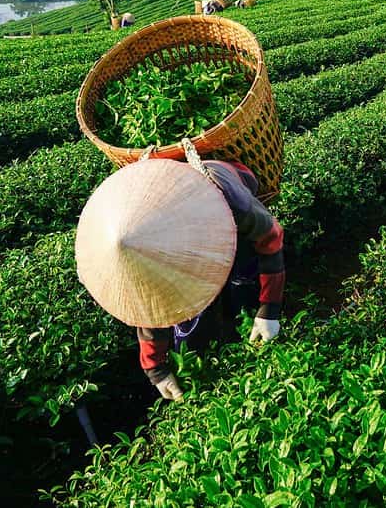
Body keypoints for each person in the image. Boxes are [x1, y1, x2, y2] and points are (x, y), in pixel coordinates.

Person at [75, 150, 286, 401]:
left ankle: (246, 319)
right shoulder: (129, 228)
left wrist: (269, 310)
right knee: (192, 318)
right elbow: (151, 298)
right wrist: (155, 368)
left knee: (243, 279)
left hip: (229, 195)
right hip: (161, 215)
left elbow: (270, 239)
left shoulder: (232, 202)